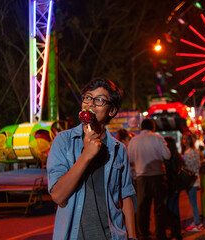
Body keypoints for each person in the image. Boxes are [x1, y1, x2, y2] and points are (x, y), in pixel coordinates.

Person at [47, 78, 136, 240]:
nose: (90, 104)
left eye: (99, 100)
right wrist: (86, 155)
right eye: (87, 97)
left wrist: (132, 237)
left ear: (112, 111)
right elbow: (58, 195)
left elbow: (125, 196)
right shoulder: (63, 141)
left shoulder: (118, 149)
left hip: (112, 235)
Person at [127, 118, 171, 240]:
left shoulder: (134, 141)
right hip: (158, 176)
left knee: (142, 207)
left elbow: (129, 159)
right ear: (153, 127)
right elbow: (167, 155)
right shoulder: (158, 138)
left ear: (141, 127)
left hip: (141, 177)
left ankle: (143, 234)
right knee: (159, 207)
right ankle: (160, 234)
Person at [181, 132, 203, 232]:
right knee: (192, 202)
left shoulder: (192, 152)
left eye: (187, 139)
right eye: (184, 139)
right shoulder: (187, 151)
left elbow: (196, 166)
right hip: (190, 180)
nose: (185, 141)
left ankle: (197, 223)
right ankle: (196, 221)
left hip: (191, 180)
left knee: (193, 203)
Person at [164, 136, 183, 240]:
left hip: (170, 186)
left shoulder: (167, 158)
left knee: (170, 210)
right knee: (175, 209)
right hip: (177, 186)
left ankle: (174, 231)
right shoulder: (177, 156)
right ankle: (177, 232)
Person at [116, 129, 137, 214]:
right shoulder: (121, 151)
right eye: (129, 140)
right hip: (126, 184)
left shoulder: (126, 150)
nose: (130, 142)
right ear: (123, 141)